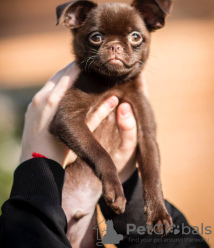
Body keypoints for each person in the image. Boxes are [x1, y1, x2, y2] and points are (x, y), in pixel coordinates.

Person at [0, 63, 209, 247]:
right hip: (65, 206)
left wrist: (36, 167)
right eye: (97, 37)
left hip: (69, 216)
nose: (116, 48)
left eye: (134, 37)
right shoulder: (85, 83)